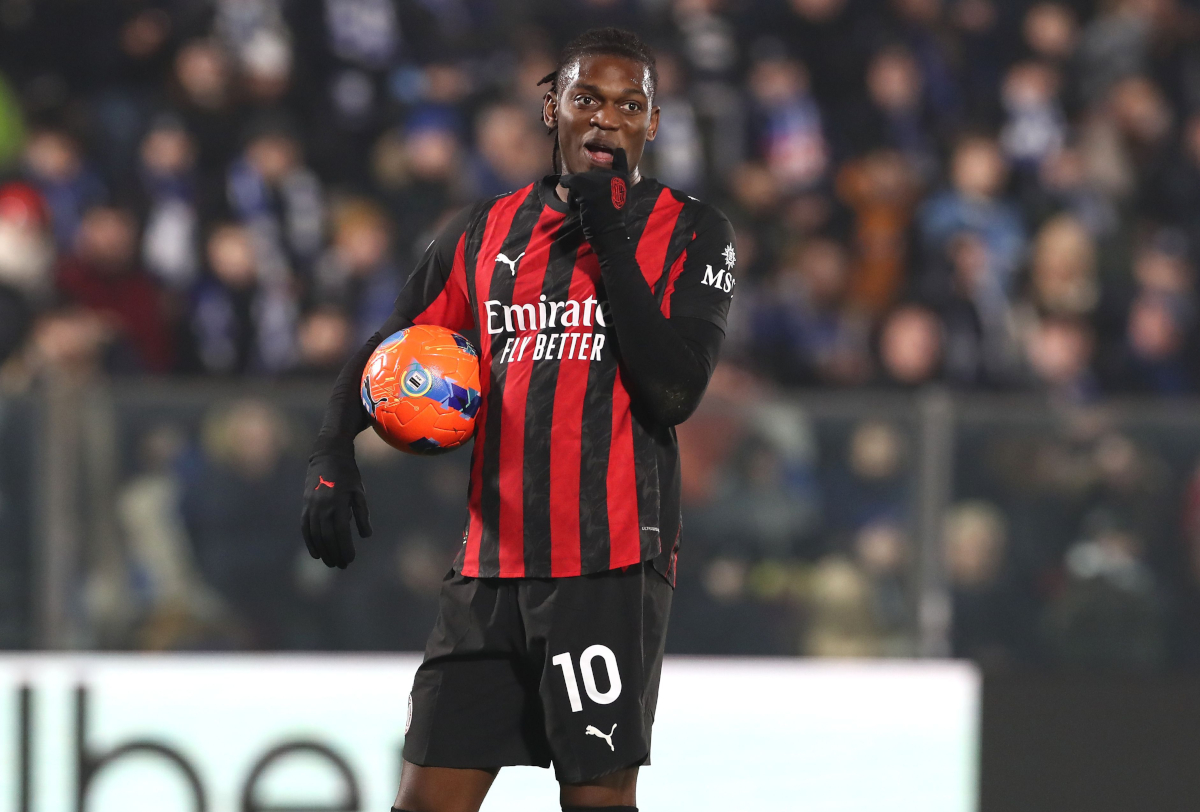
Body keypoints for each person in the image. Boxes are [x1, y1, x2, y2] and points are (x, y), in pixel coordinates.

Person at [300, 28, 737, 812]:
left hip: (607, 563)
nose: (607, 120)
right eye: (588, 99)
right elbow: (388, 349)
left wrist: (606, 232)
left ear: (654, 124)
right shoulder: (482, 231)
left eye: (629, 105)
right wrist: (333, 449)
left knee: (594, 801)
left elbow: (675, 393)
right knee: (427, 799)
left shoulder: (694, 231)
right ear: (551, 107)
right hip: (489, 566)